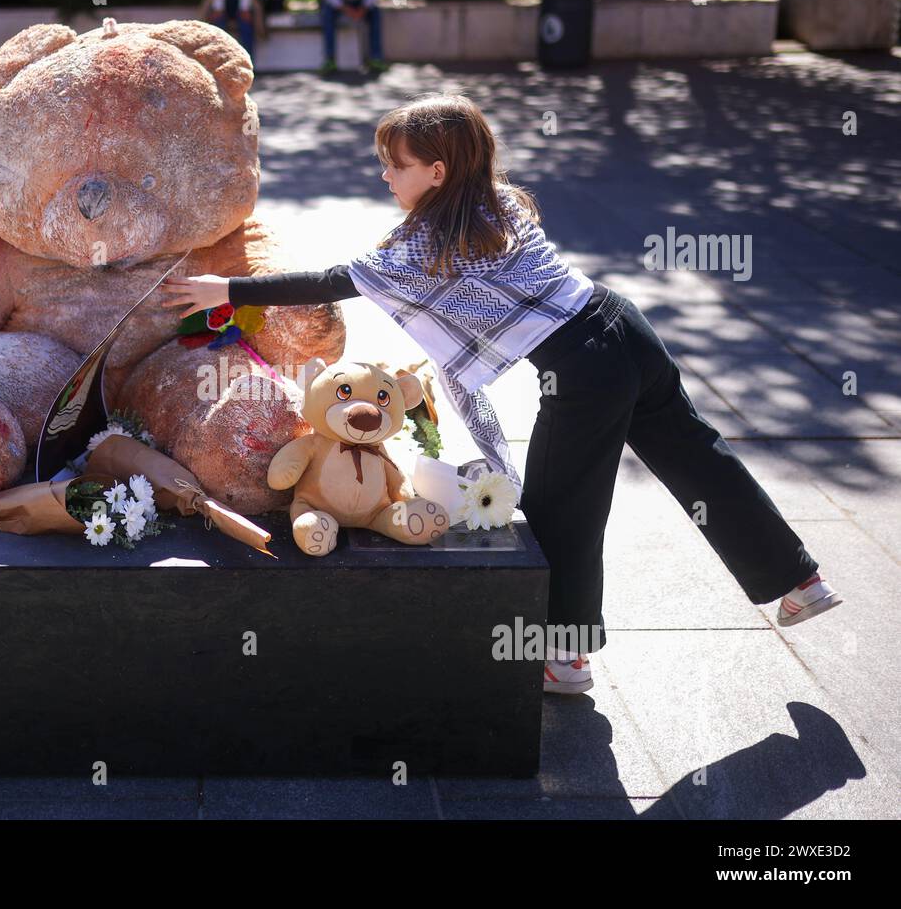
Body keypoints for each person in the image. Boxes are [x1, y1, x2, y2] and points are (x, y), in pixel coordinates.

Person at [159, 93, 841, 695]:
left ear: (437, 172)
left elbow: (338, 278)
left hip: (586, 366)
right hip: (626, 326)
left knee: (564, 508)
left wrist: (229, 289)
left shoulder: (425, 244)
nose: (384, 175)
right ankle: (799, 580)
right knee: (699, 456)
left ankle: (566, 658)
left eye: (395, 164)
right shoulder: (499, 202)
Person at [320, 0, 388, 75]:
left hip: (361, 1)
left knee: (376, 14)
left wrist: (363, 8)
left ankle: (376, 58)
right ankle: (329, 59)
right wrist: (346, 9)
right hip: (340, 2)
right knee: (327, 14)